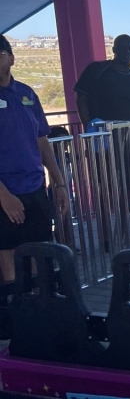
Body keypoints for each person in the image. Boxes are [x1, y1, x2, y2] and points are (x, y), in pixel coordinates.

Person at [0, 35, 69, 282]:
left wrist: (59, 183)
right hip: (5, 192)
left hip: (35, 188)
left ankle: (40, 301)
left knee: (39, 252)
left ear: (11, 59)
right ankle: (14, 303)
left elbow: (42, 141)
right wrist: (4, 196)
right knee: (9, 256)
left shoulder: (27, 94)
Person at [74, 34, 130, 245]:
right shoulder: (97, 71)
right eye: (124, 47)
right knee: (106, 188)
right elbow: (81, 99)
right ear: (114, 49)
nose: (128, 52)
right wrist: (90, 129)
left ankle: (122, 231)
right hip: (104, 141)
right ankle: (106, 236)